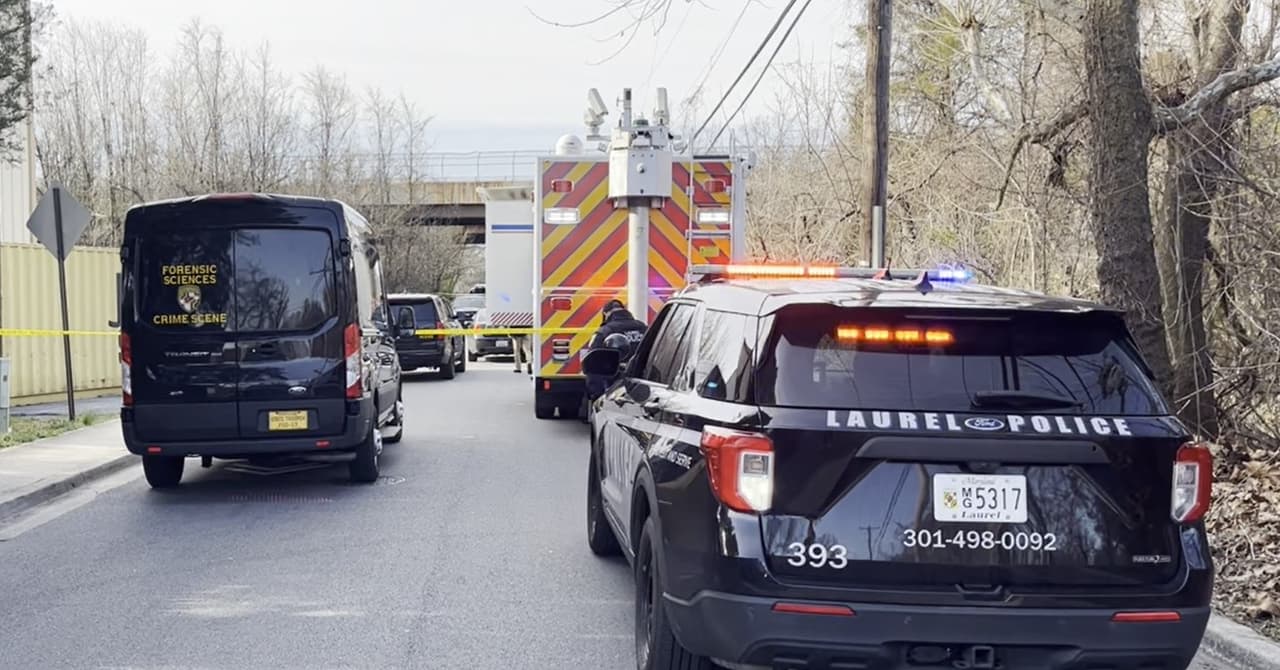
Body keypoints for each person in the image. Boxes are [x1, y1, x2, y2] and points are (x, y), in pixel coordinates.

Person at [585, 299, 647, 400]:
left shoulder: (605, 332)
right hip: (643, 386)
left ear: (606, 313)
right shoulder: (643, 327)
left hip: (615, 388)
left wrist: (595, 392)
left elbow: (594, 364)